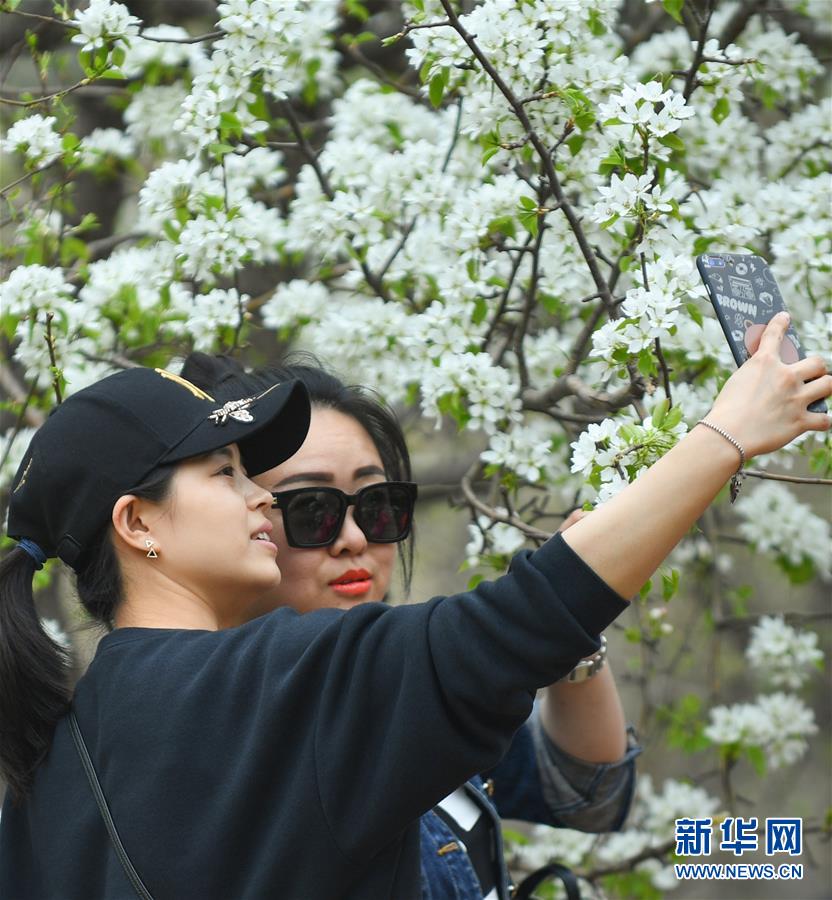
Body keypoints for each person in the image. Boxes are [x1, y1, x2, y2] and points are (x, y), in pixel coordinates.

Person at [0, 313, 828, 899]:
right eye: (229, 476)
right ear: (138, 524)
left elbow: (588, 787)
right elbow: (522, 621)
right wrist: (724, 437)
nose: (260, 501)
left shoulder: (51, 764)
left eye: (381, 503)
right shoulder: (285, 680)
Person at [181, 351, 641, 900]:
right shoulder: (220, 738)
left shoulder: (404, 679)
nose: (355, 538)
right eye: (312, 510)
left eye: (377, 504)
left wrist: (570, 626)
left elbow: (591, 795)